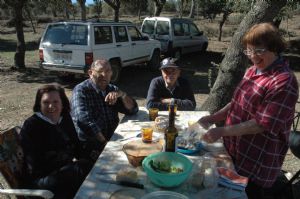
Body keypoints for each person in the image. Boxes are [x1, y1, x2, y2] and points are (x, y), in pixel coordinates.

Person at [196, 23, 299, 199]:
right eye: (249, 51)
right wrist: (212, 117)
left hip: (256, 161)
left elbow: (261, 124)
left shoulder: (284, 81)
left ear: (274, 48)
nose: (253, 57)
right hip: (234, 152)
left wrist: (221, 130)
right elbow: (237, 103)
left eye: (258, 51)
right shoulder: (252, 70)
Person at [20, 84, 93, 199]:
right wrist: (69, 164)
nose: (51, 106)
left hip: (63, 172)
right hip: (40, 181)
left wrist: (89, 155)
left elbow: (77, 146)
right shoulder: (32, 125)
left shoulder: (64, 118)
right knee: (79, 169)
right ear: (39, 104)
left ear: (62, 103)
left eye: (55, 102)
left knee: (92, 161)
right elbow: (35, 164)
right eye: (45, 102)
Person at [71, 59, 138, 161]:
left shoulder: (112, 89)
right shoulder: (81, 90)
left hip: (113, 139)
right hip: (91, 146)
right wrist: (104, 143)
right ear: (90, 73)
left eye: (108, 71)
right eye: (100, 71)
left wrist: (122, 94)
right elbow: (83, 120)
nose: (104, 75)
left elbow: (133, 109)